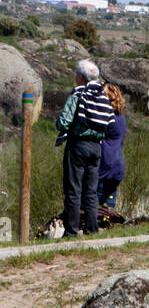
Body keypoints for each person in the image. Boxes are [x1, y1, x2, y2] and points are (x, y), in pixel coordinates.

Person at [55, 59, 115, 237]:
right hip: (96, 148)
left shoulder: (79, 95)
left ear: (80, 77)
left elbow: (63, 122)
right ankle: (92, 229)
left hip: (78, 146)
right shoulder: (102, 97)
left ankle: (71, 231)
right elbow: (109, 123)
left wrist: (62, 126)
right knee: (91, 192)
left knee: (73, 190)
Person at [97, 83, 127, 208]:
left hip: (104, 165)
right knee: (109, 206)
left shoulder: (106, 118)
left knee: (94, 205)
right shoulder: (121, 119)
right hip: (117, 166)